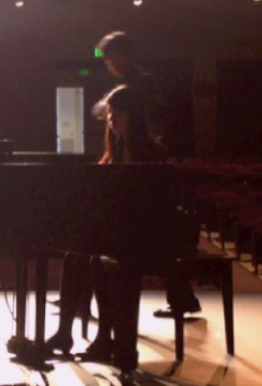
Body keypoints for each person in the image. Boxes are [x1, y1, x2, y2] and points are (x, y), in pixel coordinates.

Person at [95, 31, 200, 320]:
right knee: (151, 223)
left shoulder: (142, 84)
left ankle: (110, 311)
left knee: (150, 222)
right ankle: (182, 297)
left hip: (144, 154)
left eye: (112, 59)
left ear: (126, 55)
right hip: (138, 153)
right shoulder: (130, 85)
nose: (110, 65)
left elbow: (147, 118)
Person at [81, 85, 169, 364]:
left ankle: (116, 341)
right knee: (79, 256)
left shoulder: (151, 153)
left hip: (147, 234)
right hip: (123, 232)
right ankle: (80, 334)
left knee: (103, 259)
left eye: (116, 113)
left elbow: (150, 206)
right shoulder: (113, 153)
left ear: (133, 115)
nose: (111, 119)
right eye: (109, 114)